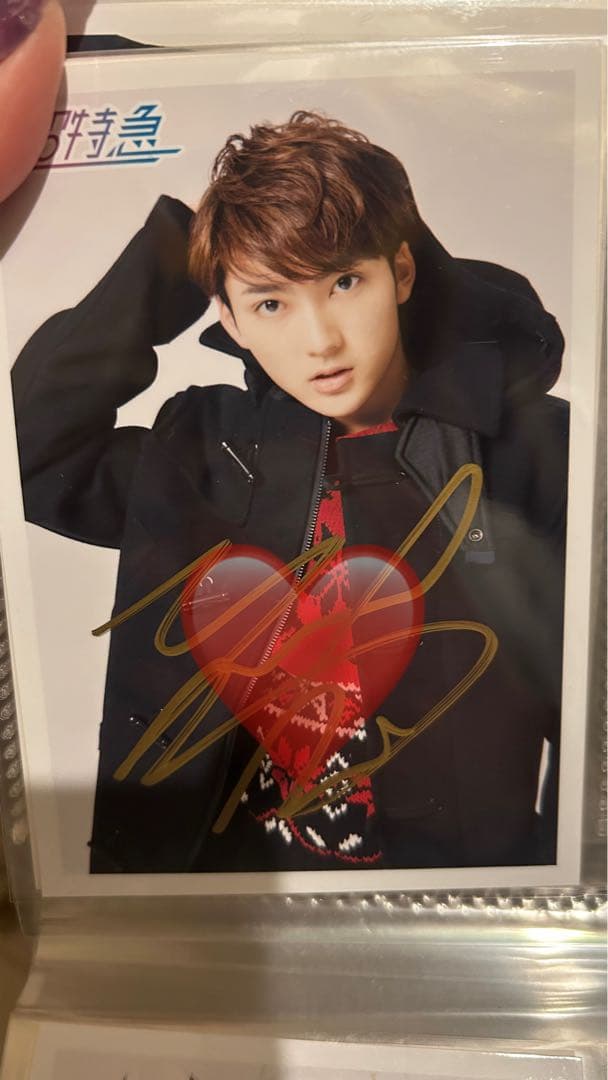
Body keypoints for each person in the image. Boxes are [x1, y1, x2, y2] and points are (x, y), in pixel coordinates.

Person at [11, 112, 568, 874]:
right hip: (215, 905)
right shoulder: (203, 449)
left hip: (449, 904)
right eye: (270, 302)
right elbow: (28, 447)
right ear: (231, 320)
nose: (321, 341)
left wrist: (550, 887)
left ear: (402, 273)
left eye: (345, 283)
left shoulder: (527, 447)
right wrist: (173, 252)